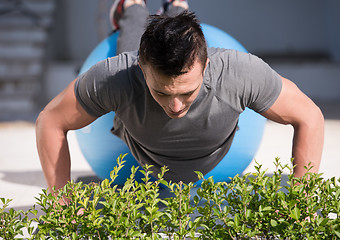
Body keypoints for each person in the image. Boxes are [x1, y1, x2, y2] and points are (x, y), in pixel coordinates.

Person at [36, 0, 324, 193]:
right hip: (138, 147)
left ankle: (177, 6)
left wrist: (301, 201)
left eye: (187, 92)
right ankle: (133, 6)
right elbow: (50, 121)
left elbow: (309, 116)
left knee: (178, 33)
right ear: (141, 66)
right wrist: (62, 202)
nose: (175, 106)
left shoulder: (239, 72)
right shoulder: (117, 74)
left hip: (213, 147)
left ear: (206, 65)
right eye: (161, 92)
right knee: (135, 38)